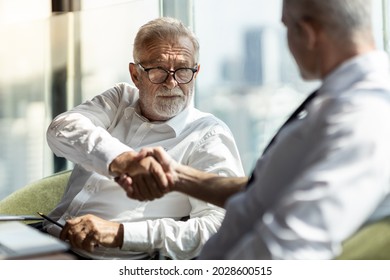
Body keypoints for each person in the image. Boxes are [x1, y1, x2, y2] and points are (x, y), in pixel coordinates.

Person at [117, 0, 390, 259]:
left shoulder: (364, 114)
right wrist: (177, 175)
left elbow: (289, 249)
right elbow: (264, 193)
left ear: (306, 33)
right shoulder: (340, 101)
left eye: (286, 28)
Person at [43, 17, 244, 260]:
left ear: (196, 72)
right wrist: (123, 160)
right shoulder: (119, 99)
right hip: (46, 237)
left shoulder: (209, 134)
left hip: (104, 260)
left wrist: (121, 234)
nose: (172, 82)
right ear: (135, 75)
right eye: (158, 70)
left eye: (183, 70)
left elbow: (219, 227)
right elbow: (61, 129)